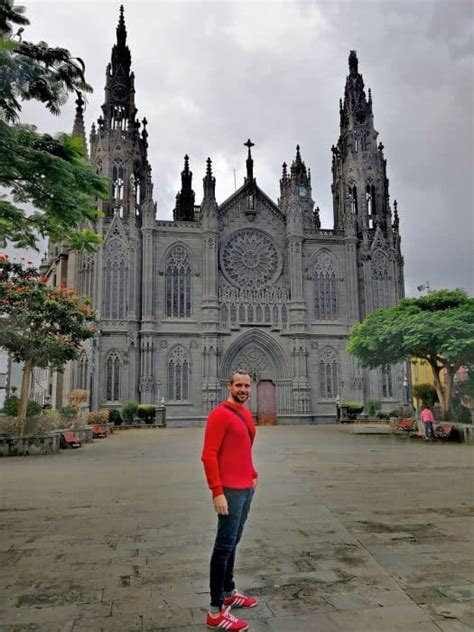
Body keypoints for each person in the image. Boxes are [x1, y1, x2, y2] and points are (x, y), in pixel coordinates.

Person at [201, 370, 259, 631]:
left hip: (246, 487)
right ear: (229, 386)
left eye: (247, 385)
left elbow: (243, 447)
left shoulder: (245, 413)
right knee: (223, 546)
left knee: (233, 541)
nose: (243, 389)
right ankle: (215, 611)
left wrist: (253, 473)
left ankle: (228, 591)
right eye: (239, 385)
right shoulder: (219, 415)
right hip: (229, 491)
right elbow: (208, 455)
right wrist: (217, 492)